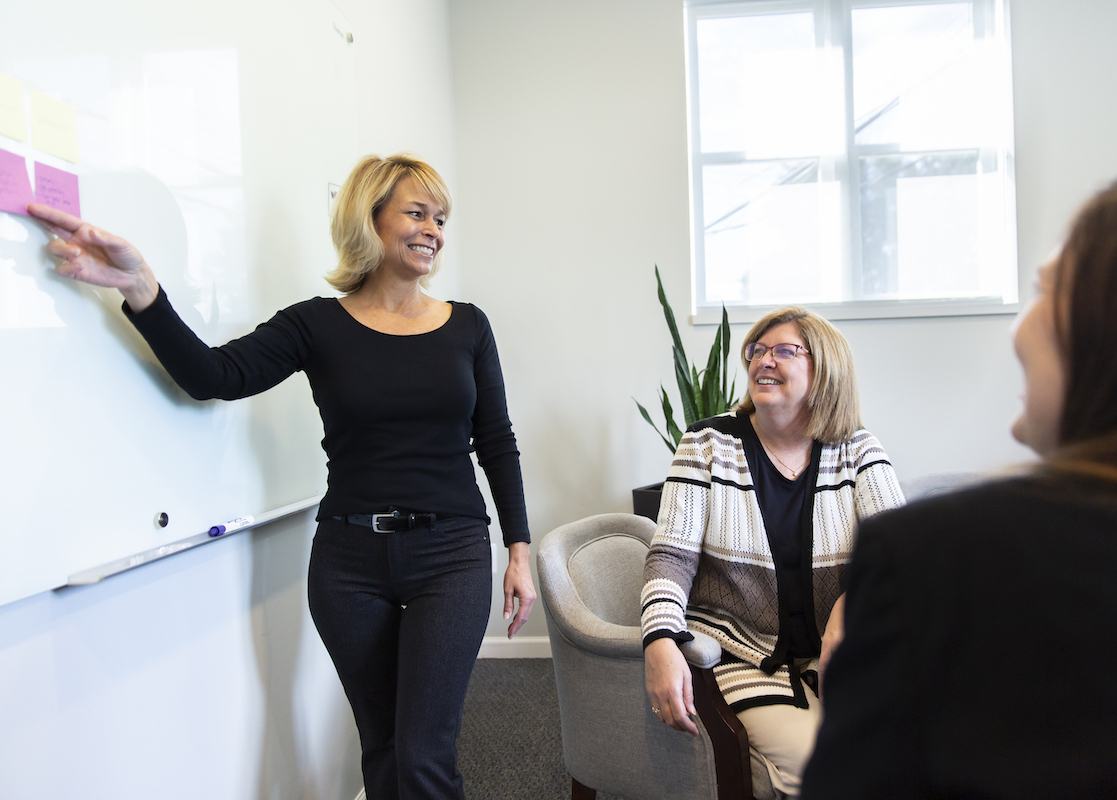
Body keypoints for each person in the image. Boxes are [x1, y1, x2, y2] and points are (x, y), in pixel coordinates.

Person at [27, 153, 536, 800]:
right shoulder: (316, 325)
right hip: (349, 563)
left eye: (441, 217)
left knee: (423, 755)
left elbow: (497, 441)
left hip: (452, 552)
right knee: (381, 749)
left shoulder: (468, 325)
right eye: (416, 211)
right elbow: (213, 376)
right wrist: (142, 289)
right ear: (370, 216)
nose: (433, 228)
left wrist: (518, 548)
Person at [801, 158, 1117, 799]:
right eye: (758, 351)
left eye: (1045, 291)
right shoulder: (711, 445)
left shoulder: (932, 558)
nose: (1018, 328)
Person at [641, 306, 905, 799]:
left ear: (824, 367)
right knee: (825, 768)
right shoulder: (707, 443)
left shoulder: (857, 448)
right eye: (757, 350)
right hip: (741, 655)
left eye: (784, 351)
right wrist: (659, 638)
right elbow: (670, 556)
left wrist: (850, 610)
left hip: (841, 657)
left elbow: (901, 552)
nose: (764, 360)